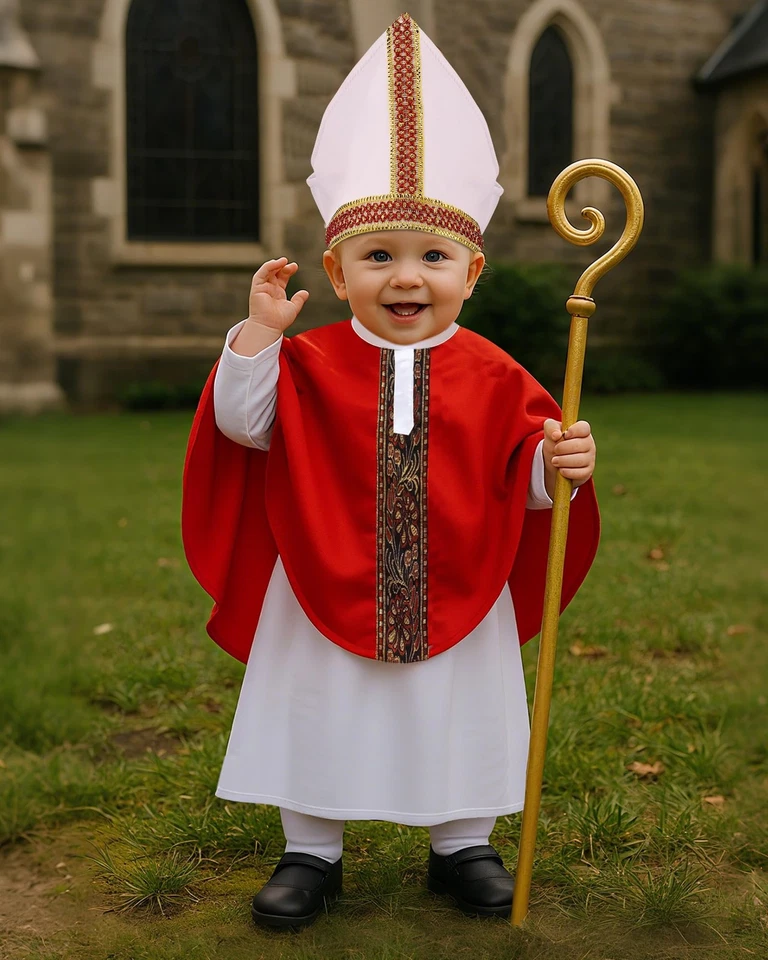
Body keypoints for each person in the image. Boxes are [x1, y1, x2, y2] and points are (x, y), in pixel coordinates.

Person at [182, 12, 600, 931]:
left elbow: (524, 474)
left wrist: (560, 463)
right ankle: (310, 850)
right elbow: (243, 427)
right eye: (378, 257)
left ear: (473, 270)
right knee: (317, 703)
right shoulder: (309, 363)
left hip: (460, 572)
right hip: (324, 571)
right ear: (336, 269)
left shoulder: (498, 373)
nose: (405, 278)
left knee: (462, 706)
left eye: (432, 258)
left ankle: (463, 844)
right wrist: (258, 337)